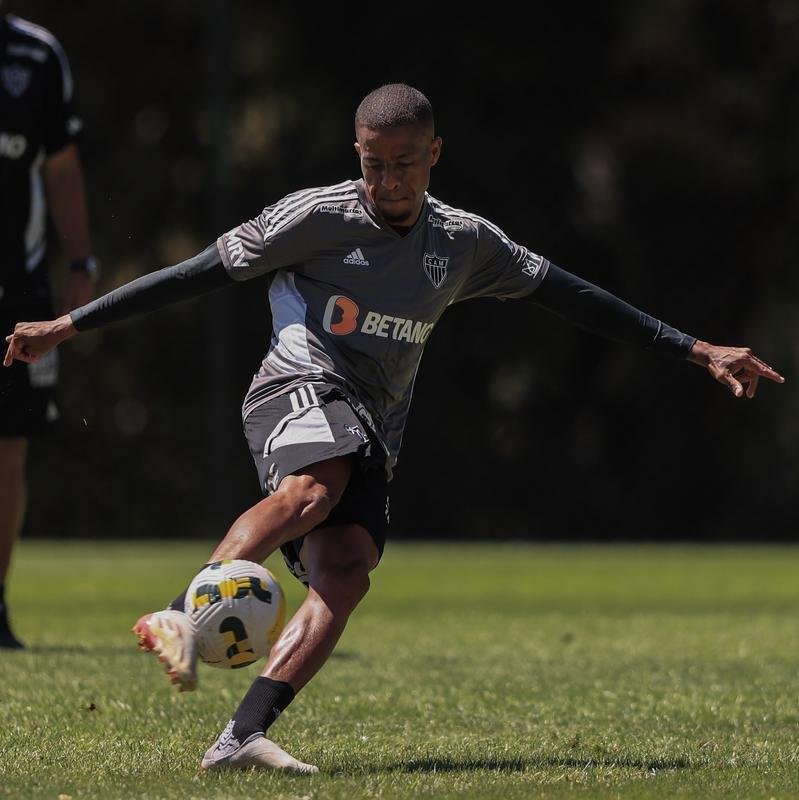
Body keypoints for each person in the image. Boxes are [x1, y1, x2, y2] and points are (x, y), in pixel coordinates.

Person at [3, 84, 783, 771]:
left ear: (434, 152)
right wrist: (68, 324)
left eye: (405, 162)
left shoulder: (465, 241)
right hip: (295, 385)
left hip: (376, 421)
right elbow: (195, 272)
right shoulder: (313, 216)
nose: (389, 179)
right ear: (358, 153)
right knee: (315, 488)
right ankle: (177, 613)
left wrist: (694, 347)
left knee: (345, 569)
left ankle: (239, 738)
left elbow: (571, 294)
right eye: (374, 162)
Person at [0, 10, 97, 649]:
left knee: (8, 446)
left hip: (19, 288)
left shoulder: (36, 55)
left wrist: (81, 259)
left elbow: (61, 168)